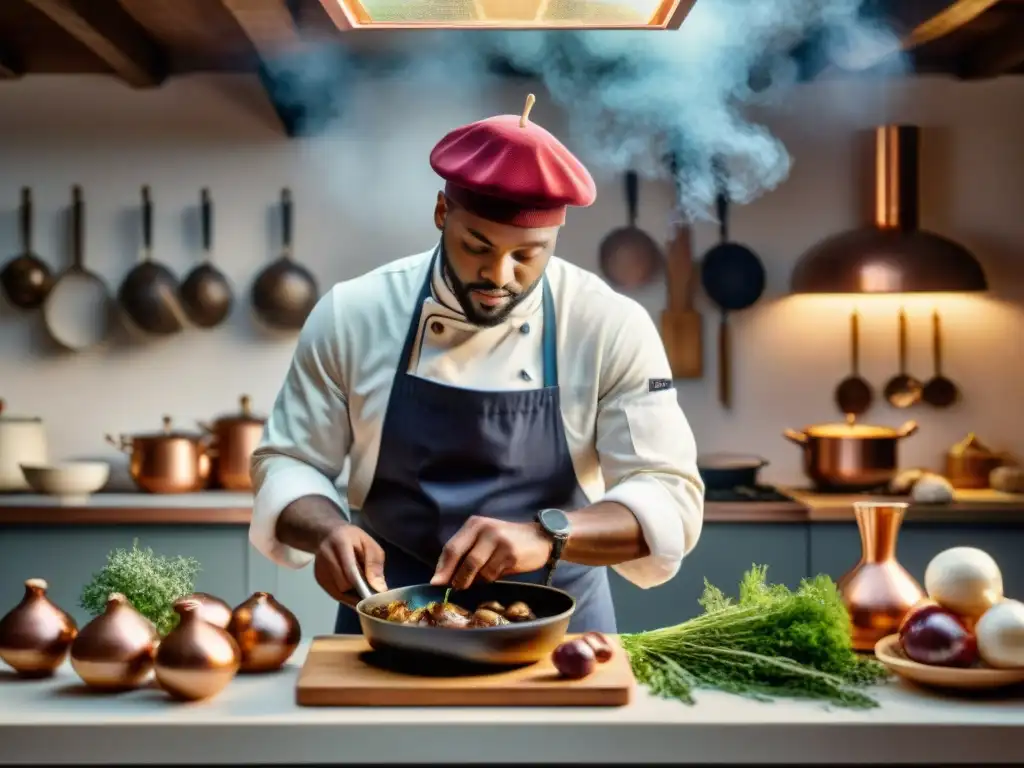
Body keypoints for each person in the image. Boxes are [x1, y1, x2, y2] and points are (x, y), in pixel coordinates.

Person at [249, 94, 704, 635]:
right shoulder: (354, 313)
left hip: (561, 631)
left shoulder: (609, 325)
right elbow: (288, 461)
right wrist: (327, 531)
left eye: (528, 254)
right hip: (393, 614)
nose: (499, 275)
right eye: (476, 245)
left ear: (556, 237)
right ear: (443, 213)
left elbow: (667, 495)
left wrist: (548, 535)